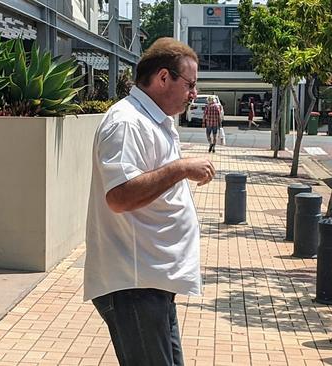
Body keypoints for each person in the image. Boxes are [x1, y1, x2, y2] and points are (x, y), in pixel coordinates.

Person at [84, 37, 216, 366]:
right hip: (134, 284)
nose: (194, 94)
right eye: (191, 84)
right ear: (163, 78)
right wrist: (181, 168)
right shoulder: (127, 123)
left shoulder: (151, 121)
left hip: (150, 282)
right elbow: (119, 195)